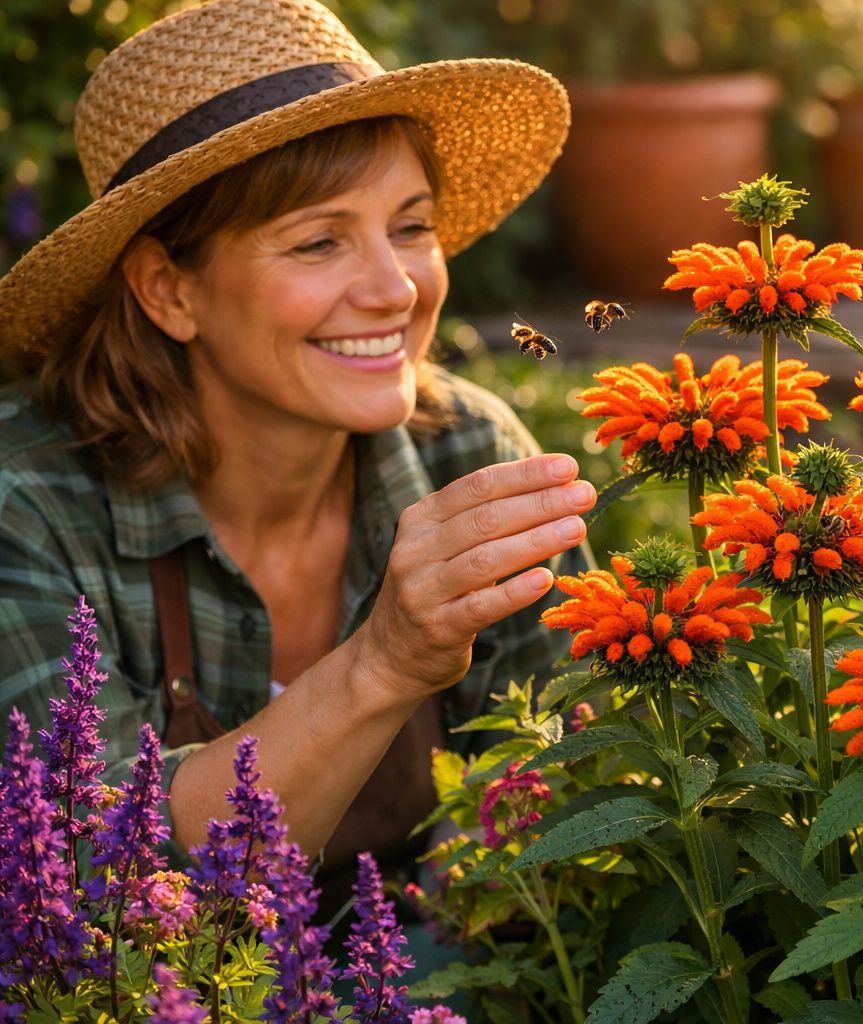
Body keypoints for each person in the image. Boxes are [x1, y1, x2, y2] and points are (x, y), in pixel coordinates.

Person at [0, 0, 593, 900]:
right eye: (319, 241)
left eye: (411, 226)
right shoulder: (29, 503)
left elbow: (583, 813)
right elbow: (101, 883)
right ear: (168, 290)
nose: (394, 290)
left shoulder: (467, 453)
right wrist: (384, 663)